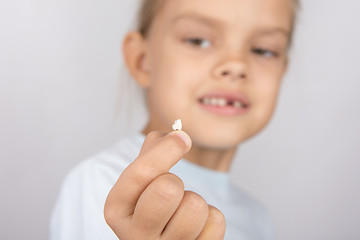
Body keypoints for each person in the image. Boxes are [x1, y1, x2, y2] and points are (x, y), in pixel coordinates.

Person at [50, 0, 299, 239]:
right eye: (198, 41)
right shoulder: (103, 184)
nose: (236, 65)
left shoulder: (257, 219)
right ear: (142, 61)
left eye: (263, 50)